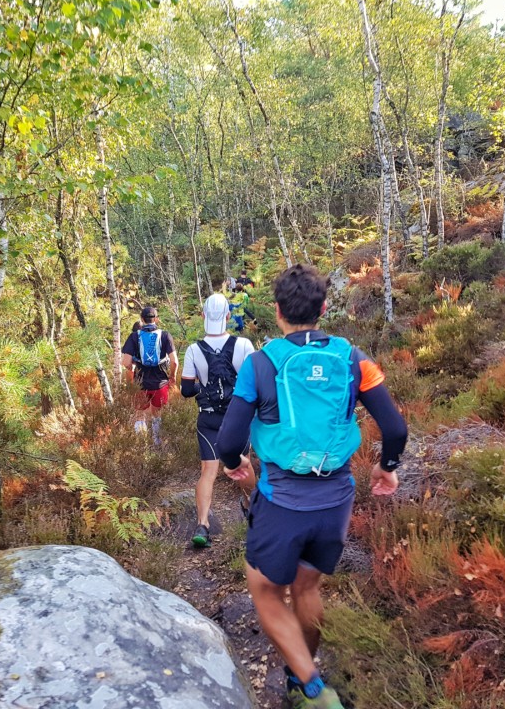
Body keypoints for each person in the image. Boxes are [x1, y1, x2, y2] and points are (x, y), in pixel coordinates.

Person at [217, 264, 408, 709]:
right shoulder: (354, 358)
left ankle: (315, 689)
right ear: (323, 308)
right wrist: (387, 467)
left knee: (264, 590)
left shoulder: (261, 364)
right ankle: (297, 681)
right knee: (307, 588)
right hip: (336, 499)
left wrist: (236, 464)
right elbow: (394, 428)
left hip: (282, 500)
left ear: (279, 311)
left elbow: (228, 441)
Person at [180, 294, 256, 549]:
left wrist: (204, 387)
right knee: (242, 466)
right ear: (226, 317)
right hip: (237, 419)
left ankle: (203, 524)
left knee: (207, 472)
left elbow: (186, 390)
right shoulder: (244, 345)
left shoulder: (193, 350)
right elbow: (254, 382)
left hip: (208, 419)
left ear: (203, 316)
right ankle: (250, 508)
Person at [121, 306, 178, 446]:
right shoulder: (165, 335)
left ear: (142, 319)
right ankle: (157, 442)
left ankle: (141, 444)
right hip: (160, 383)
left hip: (140, 384)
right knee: (157, 414)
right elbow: (175, 362)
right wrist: (172, 376)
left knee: (140, 414)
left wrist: (132, 367)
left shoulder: (134, 336)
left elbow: (125, 362)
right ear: (156, 319)